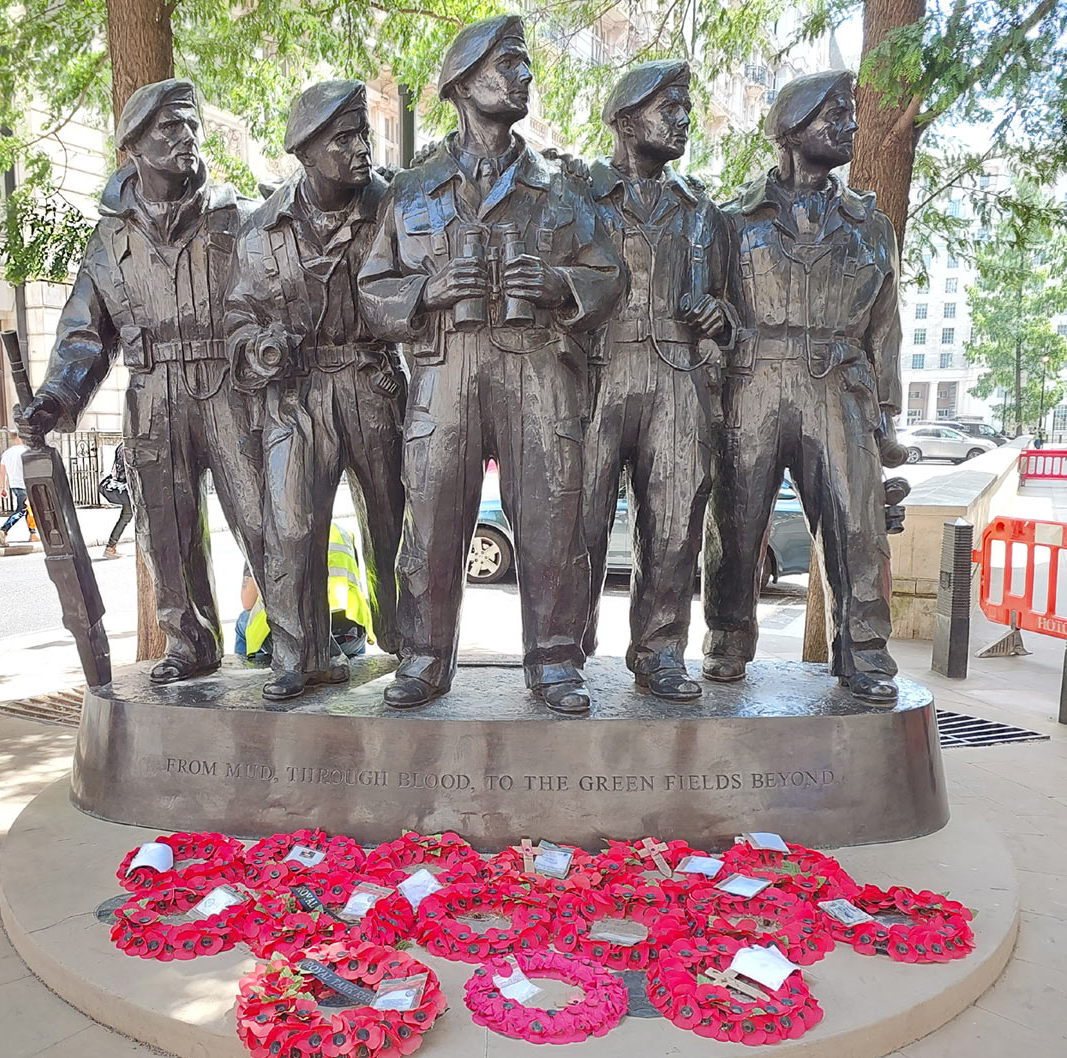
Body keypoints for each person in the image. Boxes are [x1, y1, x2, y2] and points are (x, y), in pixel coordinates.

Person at [359, 15, 624, 713]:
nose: (525, 76)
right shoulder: (410, 190)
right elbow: (370, 293)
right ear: (463, 82)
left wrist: (560, 286)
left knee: (551, 519)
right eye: (510, 64)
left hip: (539, 370)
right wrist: (427, 291)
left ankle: (556, 659)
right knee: (434, 522)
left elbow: (610, 276)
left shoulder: (560, 186)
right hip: (444, 374)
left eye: (526, 64)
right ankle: (421, 657)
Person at [17, 79, 268, 684]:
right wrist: (55, 398)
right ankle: (189, 640)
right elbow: (85, 333)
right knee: (164, 527)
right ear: (133, 145)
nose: (187, 137)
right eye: (169, 127)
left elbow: (272, 300)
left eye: (190, 124)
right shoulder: (109, 240)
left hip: (229, 389)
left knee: (263, 517)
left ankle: (292, 635)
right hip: (151, 394)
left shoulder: (237, 218)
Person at [702, 70, 904, 704]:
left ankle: (864, 649)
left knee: (856, 525)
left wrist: (886, 419)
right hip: (751, 384)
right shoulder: (732, 221)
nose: (849, 124)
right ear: (791, 130)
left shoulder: (870, 226)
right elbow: (707, 311)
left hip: (840, 389)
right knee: (734, 522)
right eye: (833, 114)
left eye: (850, 113)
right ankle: (728, 637)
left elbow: (886, 329)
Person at [225, 79, 406, 701]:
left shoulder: (394, 207)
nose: (364, 148)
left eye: (364, 132)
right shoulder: (261, 229)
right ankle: (298, 654)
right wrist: (258, 347)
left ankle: (408, 646)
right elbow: (237, 318)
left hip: (371, 381)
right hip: (296, 395)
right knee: (291, 524)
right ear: (306, 151)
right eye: (346, 137)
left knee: (393, 519)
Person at [582, 60, 736, 701]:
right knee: (575, 521)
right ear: (624, 119)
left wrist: (720, 319)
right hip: (593, 375)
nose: (683, 119)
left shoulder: (702, 212)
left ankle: (661, 651)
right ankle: (561, 650)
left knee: (675, 524)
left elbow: (733, 309)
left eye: (685, 107)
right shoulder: (577, 197)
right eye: (668, 106)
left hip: (678, 379)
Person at [235, 520, 373, 662]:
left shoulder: (268, 537)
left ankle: (251, 671)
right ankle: (354, 665)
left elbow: (248, 602)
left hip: (296, 644)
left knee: (243, 621)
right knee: (352, 618)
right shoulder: (342, 532)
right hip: (350, 640)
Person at [0, 430, 39, 547]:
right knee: (22, 509)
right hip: (25, 484)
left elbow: (2, 471)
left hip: (14, 485)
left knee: (28, 508)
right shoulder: (25, 452)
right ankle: (3, 530)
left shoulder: (7, 453)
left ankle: (33, 533)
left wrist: (2, 487)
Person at [102, 441, 132, 559]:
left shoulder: (121, 445)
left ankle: (111, 546)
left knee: (125, 517)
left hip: (123, 486)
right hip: (131, 486)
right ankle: (110, 547)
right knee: (127, 517)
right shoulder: (130, 444)